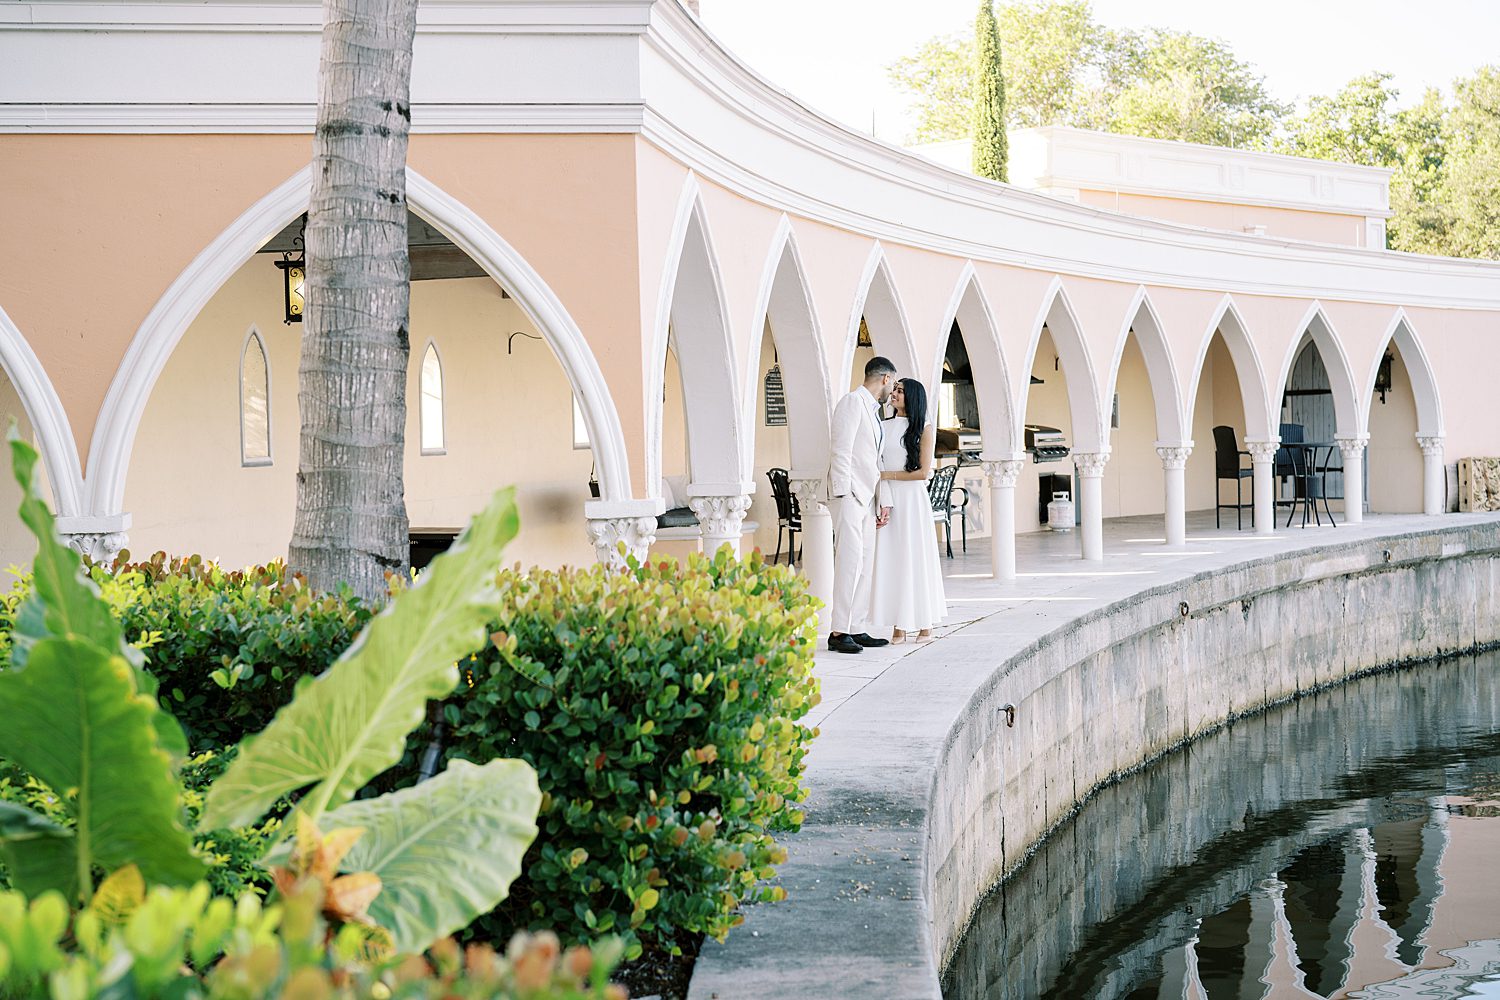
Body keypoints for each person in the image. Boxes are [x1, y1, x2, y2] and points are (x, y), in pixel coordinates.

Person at [826, 356, 897, 654]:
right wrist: (844, 494)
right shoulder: (852, 402)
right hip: (850, 495)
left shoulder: (874, 411)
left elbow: (876, 461)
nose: (892, 389)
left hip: (868, 497)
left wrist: (883, 500)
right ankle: (838, 631)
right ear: (884, 378)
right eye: (892, 382)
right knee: (848, 562)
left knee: (865, 563)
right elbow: (840, 450)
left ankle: (856, 626)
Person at [870, 378, 947, 642]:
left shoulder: (924, 429)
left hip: (913, 502)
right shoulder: (882, 425)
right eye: (894, 389)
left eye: (900, 391)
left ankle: (925, 624)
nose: (894, 393)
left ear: (912, 396)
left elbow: (923, 472)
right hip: (889, 498)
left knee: (916, 559)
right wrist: (883, 488)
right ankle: (898, 625)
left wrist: (885, 474)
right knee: (894, 560)